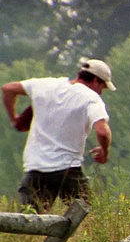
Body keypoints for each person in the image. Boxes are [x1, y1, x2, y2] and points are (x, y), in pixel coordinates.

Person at [2, 59, 115, 213]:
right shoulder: (91, 98)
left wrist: (14, 118)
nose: (101, 92)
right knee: (88, 217)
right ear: (96, 80)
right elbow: (102, 131)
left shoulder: (46, 85)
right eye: (102, 87)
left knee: (30, 220)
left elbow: (8, 89)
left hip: (36, 168)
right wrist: (105, 151)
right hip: (67, 169)